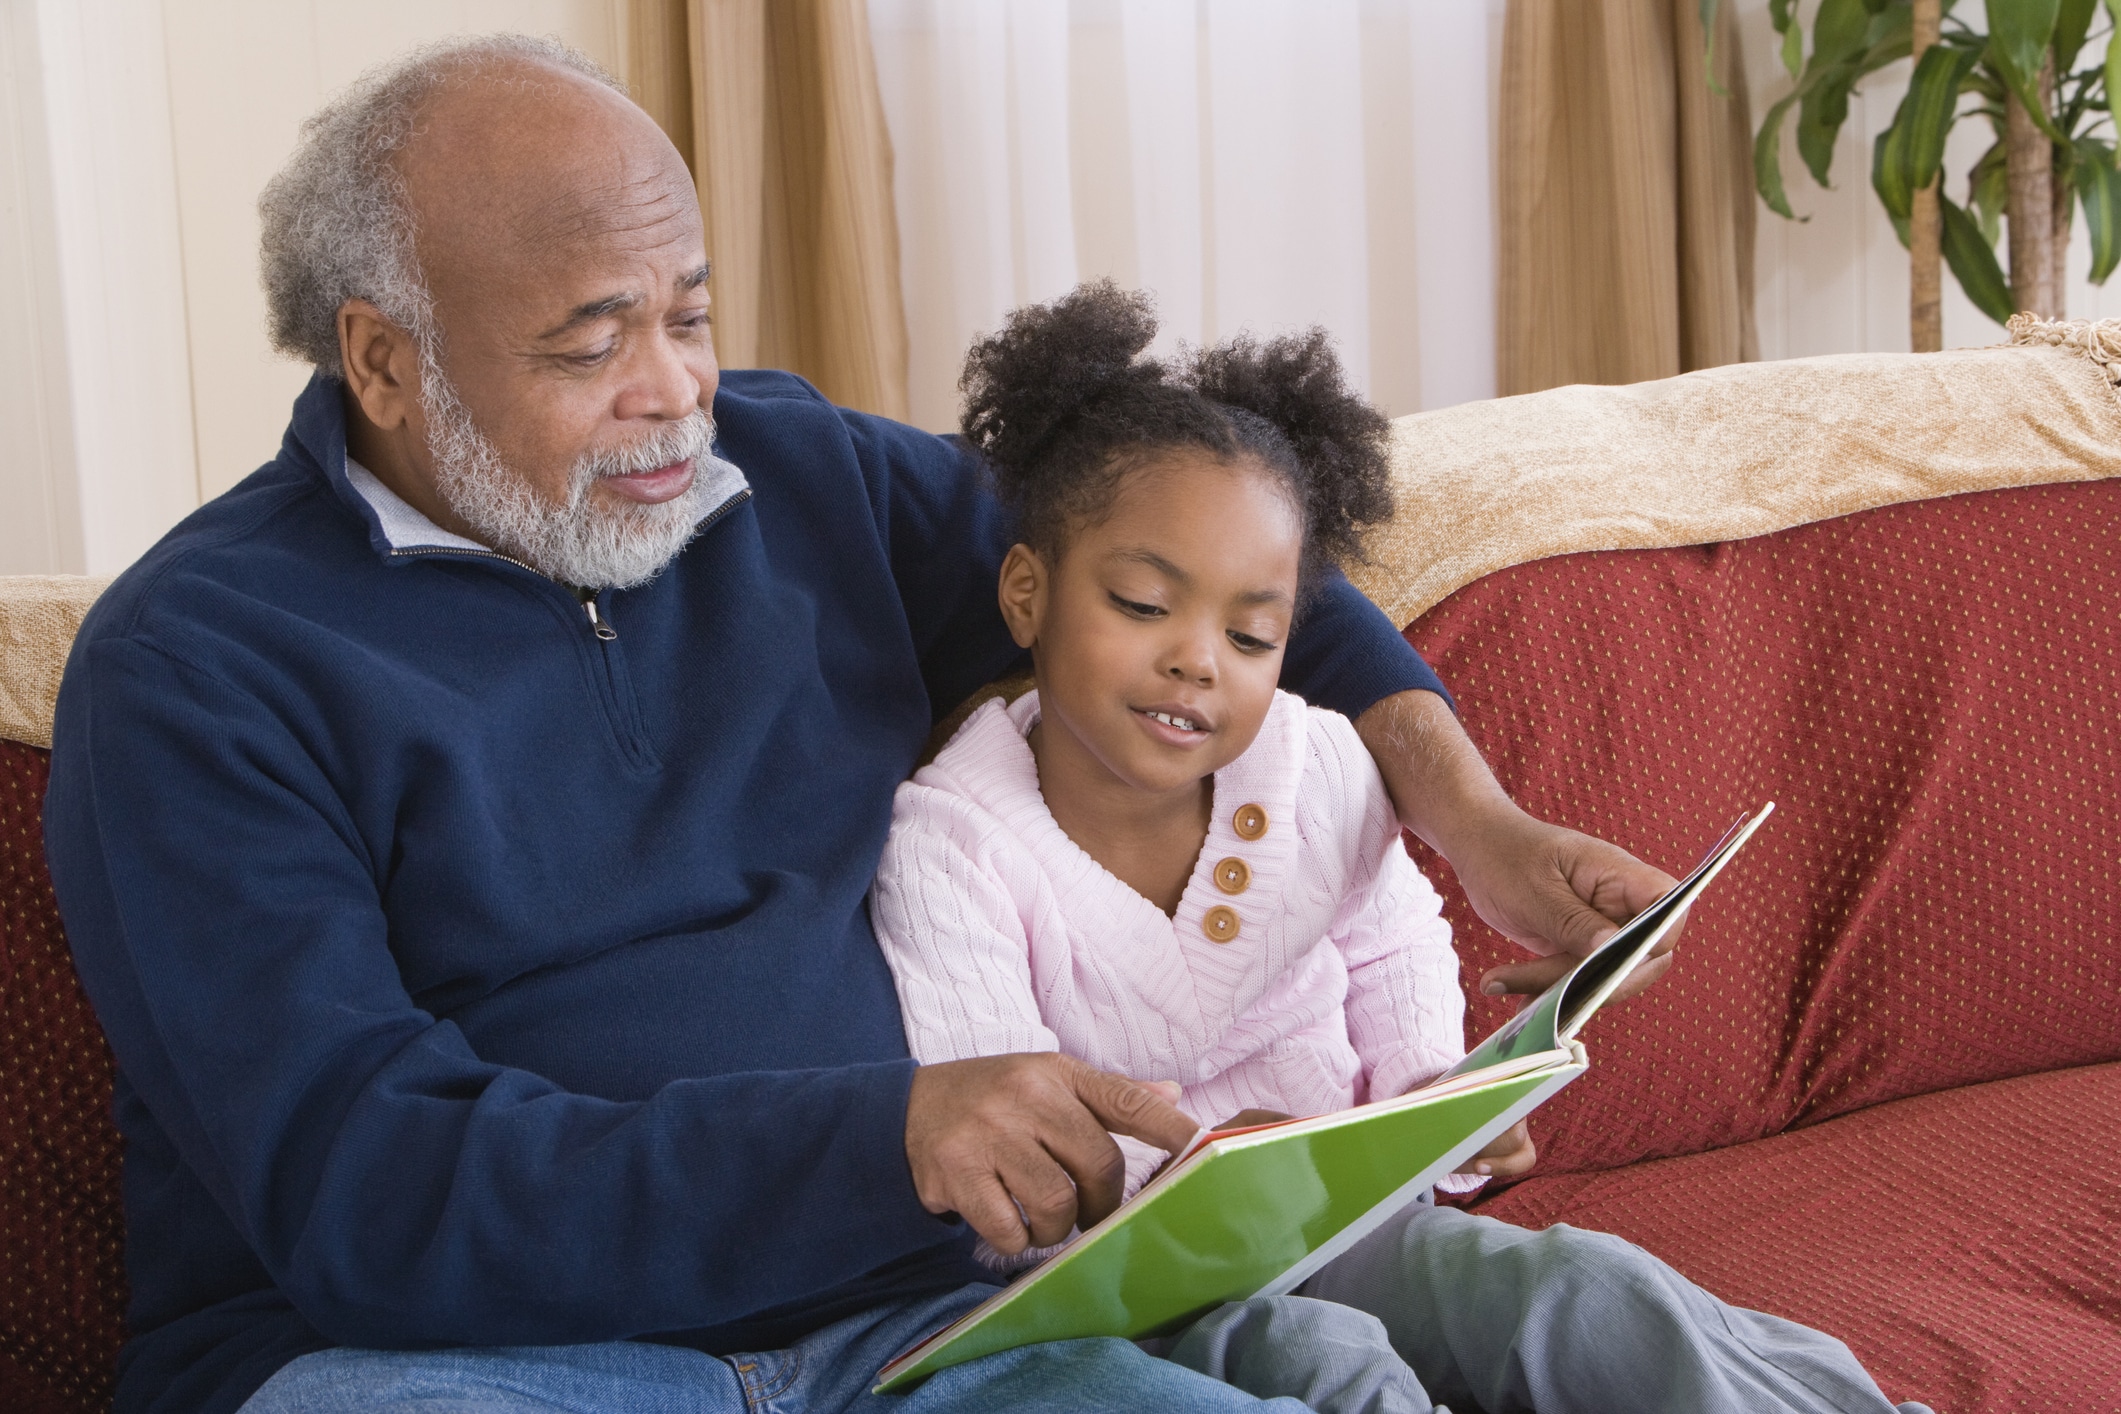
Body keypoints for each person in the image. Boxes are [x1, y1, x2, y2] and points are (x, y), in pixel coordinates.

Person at [46, 33, 1689, 1414]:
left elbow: (1213, 570)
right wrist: (881, 1132)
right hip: (462, 1364)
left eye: (686, 311)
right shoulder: (198, 666)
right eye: (588, 338)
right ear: (385, 364)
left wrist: (1472, 821)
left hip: (926, 1326)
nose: (675, 389)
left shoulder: (795, 473)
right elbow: (369, 1192)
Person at [870, 282, 1928, 1414]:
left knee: (1579, 1288)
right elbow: (1003, 1154)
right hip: (1148, 1295)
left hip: (1349, 1223)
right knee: (1341, 1373)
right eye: (1141, 604)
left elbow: (1392, 943)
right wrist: (1195, 1173)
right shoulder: (948, 844)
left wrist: (1442, 1100)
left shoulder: (1318, 759)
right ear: (1027, 593)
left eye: (1250, 633)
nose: (1198, 662)